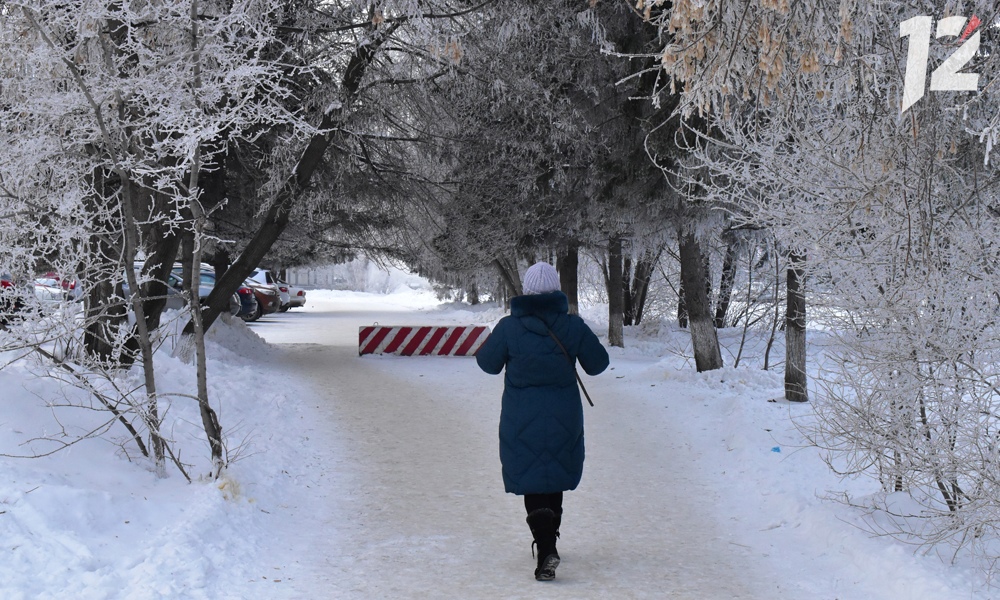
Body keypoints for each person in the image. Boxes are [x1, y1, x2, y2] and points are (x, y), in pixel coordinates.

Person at [476, 261, 610, 581]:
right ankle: (550, 539)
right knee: (554, 475)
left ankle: (546, 546)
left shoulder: (509, 327)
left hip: (521, 416)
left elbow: (487, 363)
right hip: (564, 415)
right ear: (556, 290)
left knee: (533, 477)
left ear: (527, 291)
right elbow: (599, 364)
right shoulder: (573, 326)